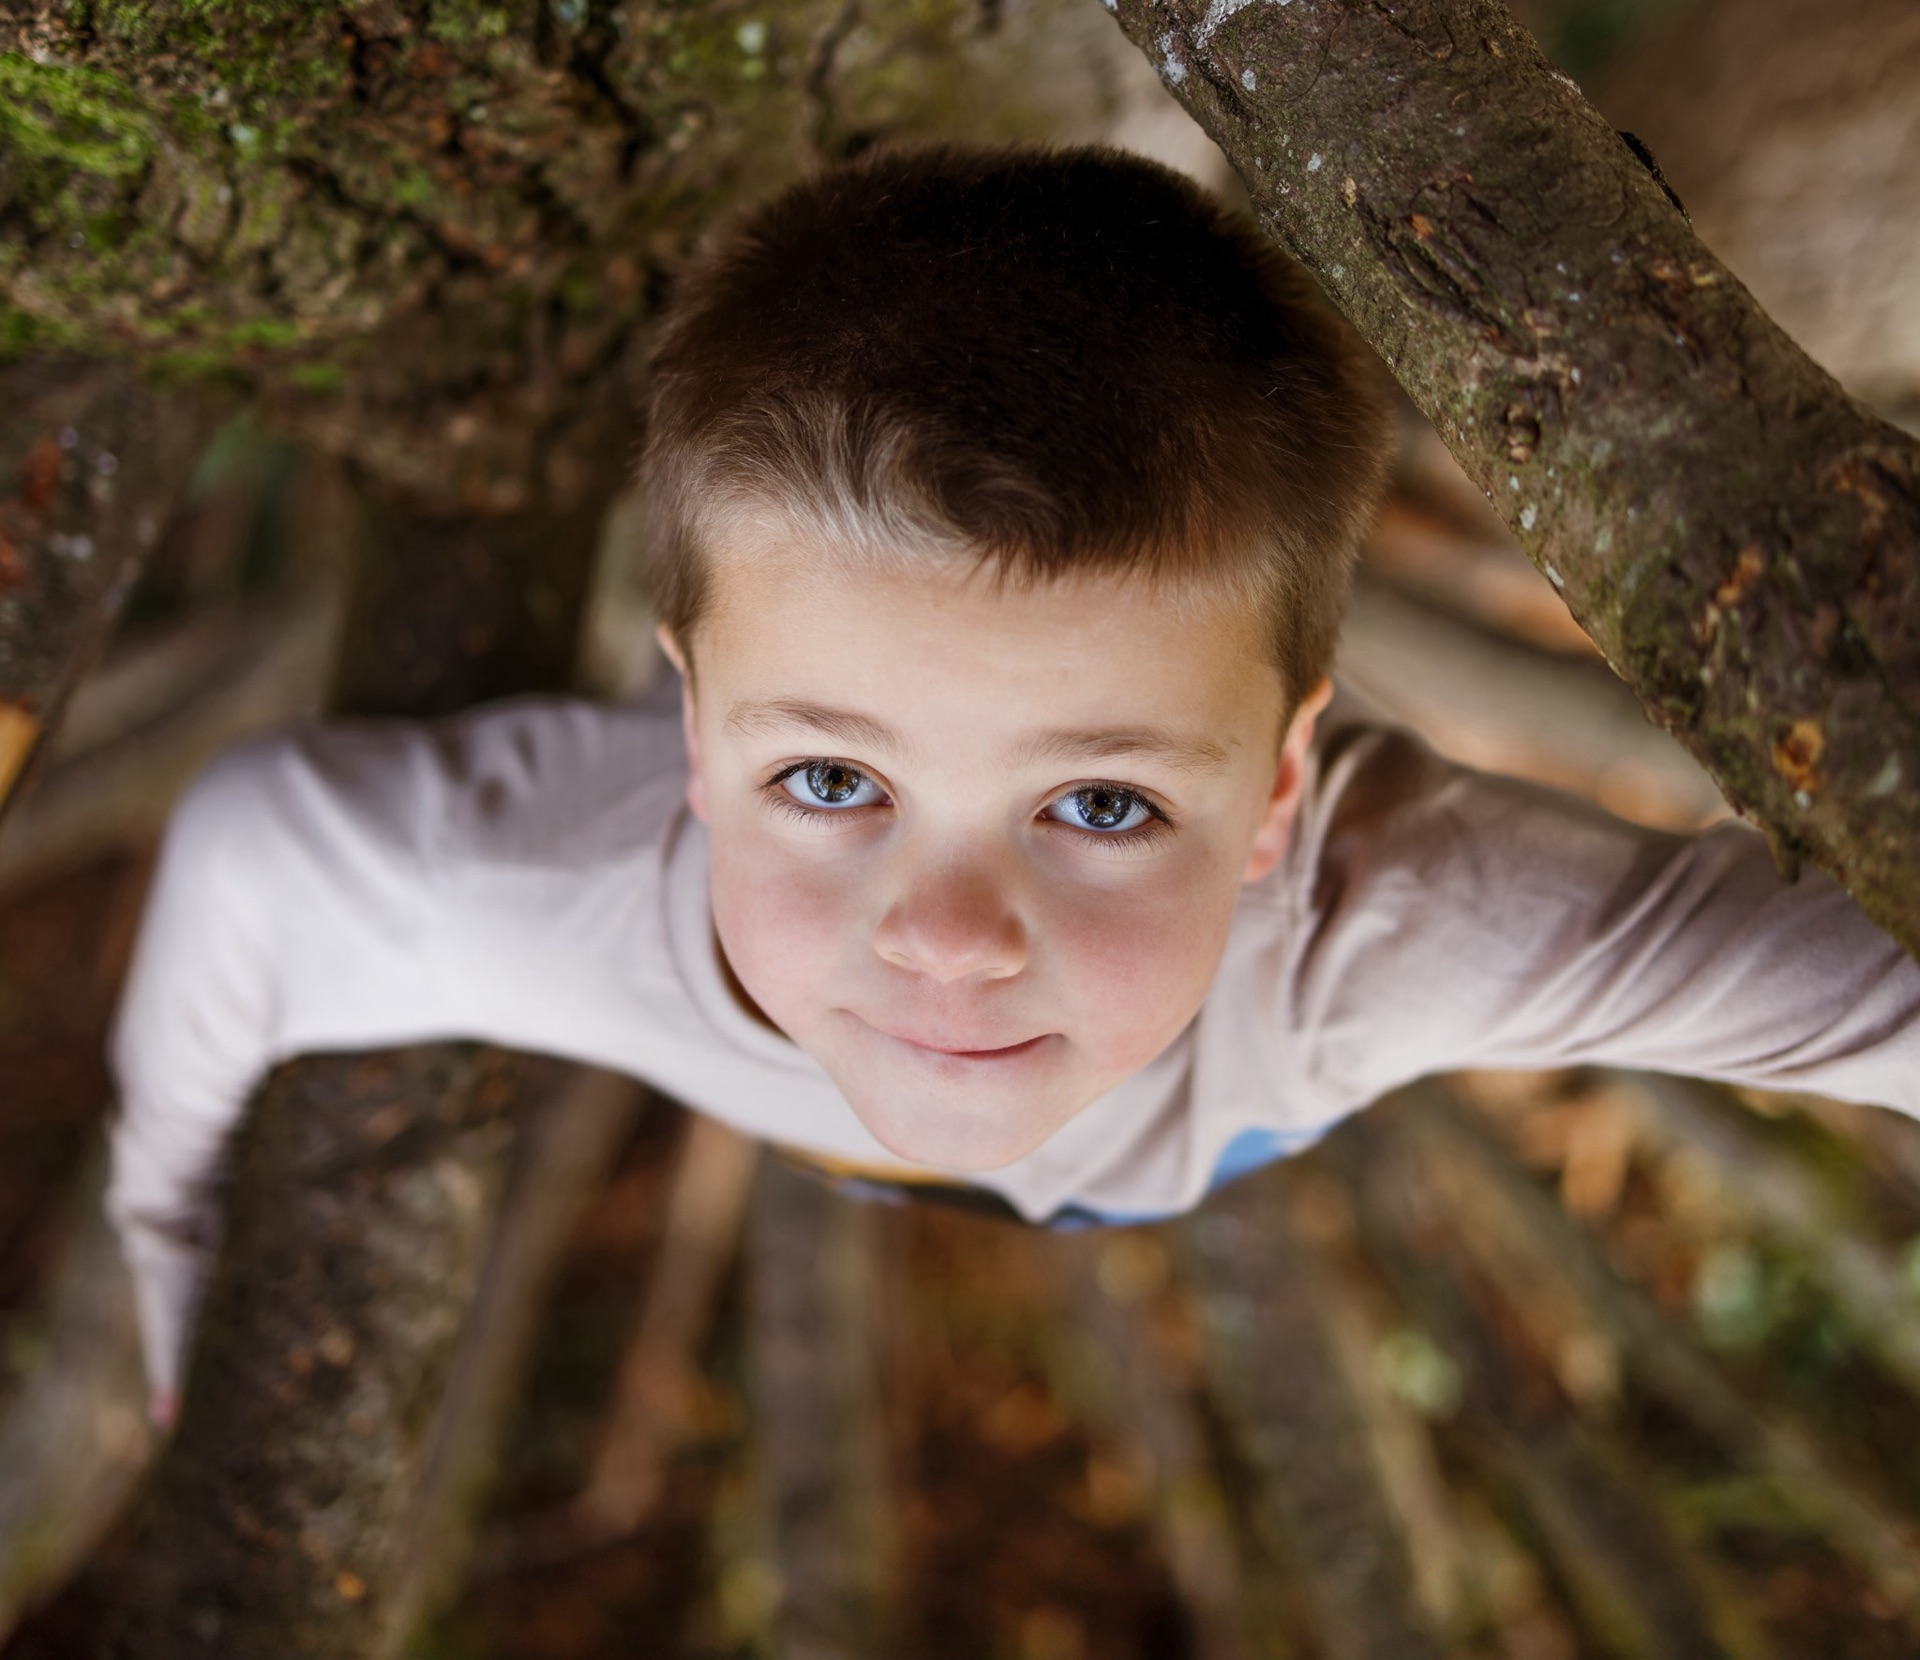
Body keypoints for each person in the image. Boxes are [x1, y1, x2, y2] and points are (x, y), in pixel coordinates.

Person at [108, 145, 1920, 1424]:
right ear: (696, 734)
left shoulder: (1389, 929)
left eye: (1103, 805)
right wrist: (162, 1221)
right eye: (830, 776)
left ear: (1281, 789)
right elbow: (249, 861)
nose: (950, 940)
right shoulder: (531, 895)